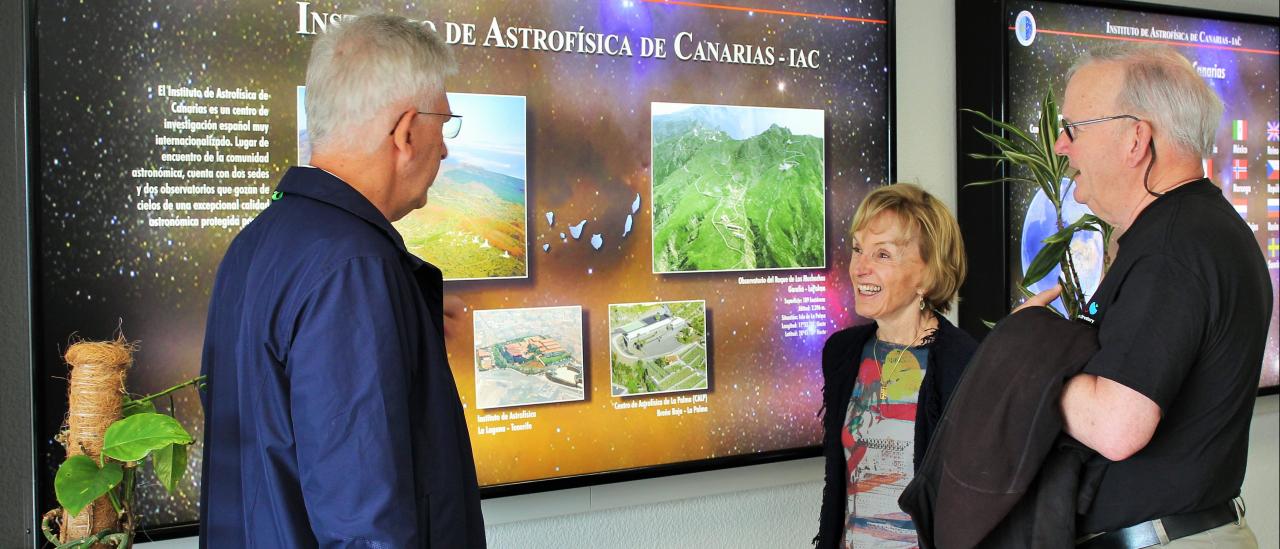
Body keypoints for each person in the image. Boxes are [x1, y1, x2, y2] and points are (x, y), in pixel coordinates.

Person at [199, 13, 485, 547]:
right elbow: (363, 524)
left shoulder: (256, 244)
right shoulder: (352, 270)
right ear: (405, 132)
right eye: (443, 126)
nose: (444, 149)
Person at [1026, 44, 1272, 547]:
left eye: (1074, 128)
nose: (1059, 146)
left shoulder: (1172, 248)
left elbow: (1118, 426)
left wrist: (1027, 354)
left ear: (1136, 139)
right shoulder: (1201, 228)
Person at [816, 183, 978, 549]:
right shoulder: (842, 353)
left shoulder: (963, 362)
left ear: (927, 273)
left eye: (883, 255)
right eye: (858, 249)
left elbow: (973, 501)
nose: (860, 268)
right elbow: (837, 483)